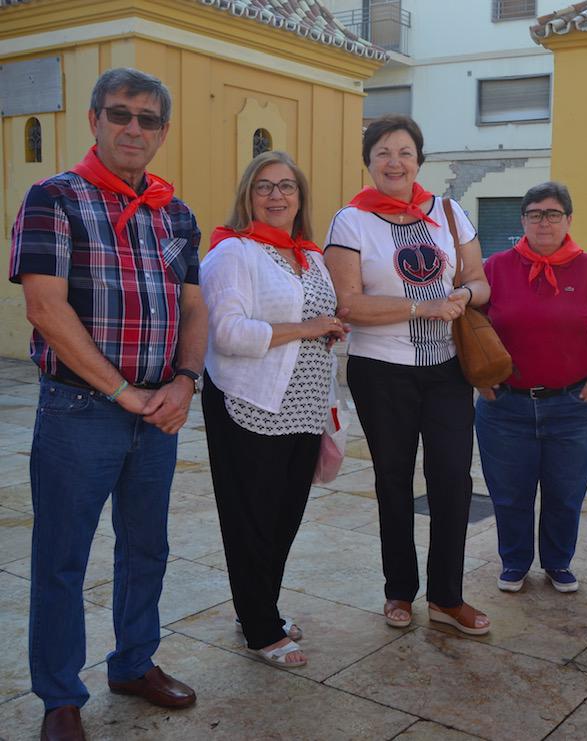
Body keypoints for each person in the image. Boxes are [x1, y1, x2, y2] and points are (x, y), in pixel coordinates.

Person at [10, 68, 205, 740]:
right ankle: (60, 695)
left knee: (147, 547)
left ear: (162, 132)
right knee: (63, 557)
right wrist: (124, 392)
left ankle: (134, 663)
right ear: (94, 119)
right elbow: (45, 307)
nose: (132, 128)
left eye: (147, 119)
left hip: (158, 413)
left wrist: (185, 381)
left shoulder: (175, 213)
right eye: (119, 113)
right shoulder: (54, 199)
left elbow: (193, 306)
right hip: (79, 411)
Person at [324, 115, 492, 636]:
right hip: (381, 371)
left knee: (452, 481)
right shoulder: (350, 221)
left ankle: (447, 597)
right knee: (393, 479)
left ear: (419, 161)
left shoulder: (450, 212)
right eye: (383, 153)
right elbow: (348, 304)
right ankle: (399, 588)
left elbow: (479, 281)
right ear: (369, 162)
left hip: (447, 370)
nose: (394, 162)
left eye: (404, 152)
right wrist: (423, 307)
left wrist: (461, 296)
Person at [201, 151, 347, 670]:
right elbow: (227, 333)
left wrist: (330, 330)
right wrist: (308, 329)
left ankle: (260, 609)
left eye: (287, 186)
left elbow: (320, 319)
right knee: (251, 520)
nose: (276, 195)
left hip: (304, 404)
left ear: (300, 197)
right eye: (264, 186)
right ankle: (260, 627)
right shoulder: (233, 252)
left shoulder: (309, 255)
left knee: (284, 517)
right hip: (251, 402)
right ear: (248, 195)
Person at [475, 182, 587, 594]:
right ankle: (514, 562)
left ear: (568, 220)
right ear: (522, 220)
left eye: (553, 214)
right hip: (506, 406)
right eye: (535, 214)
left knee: (565, 493)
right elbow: (472, 324)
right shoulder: (496, 267)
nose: (544, 222)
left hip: (572, 406)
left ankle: (558, 562)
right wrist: (480, 377)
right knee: (509, 493)